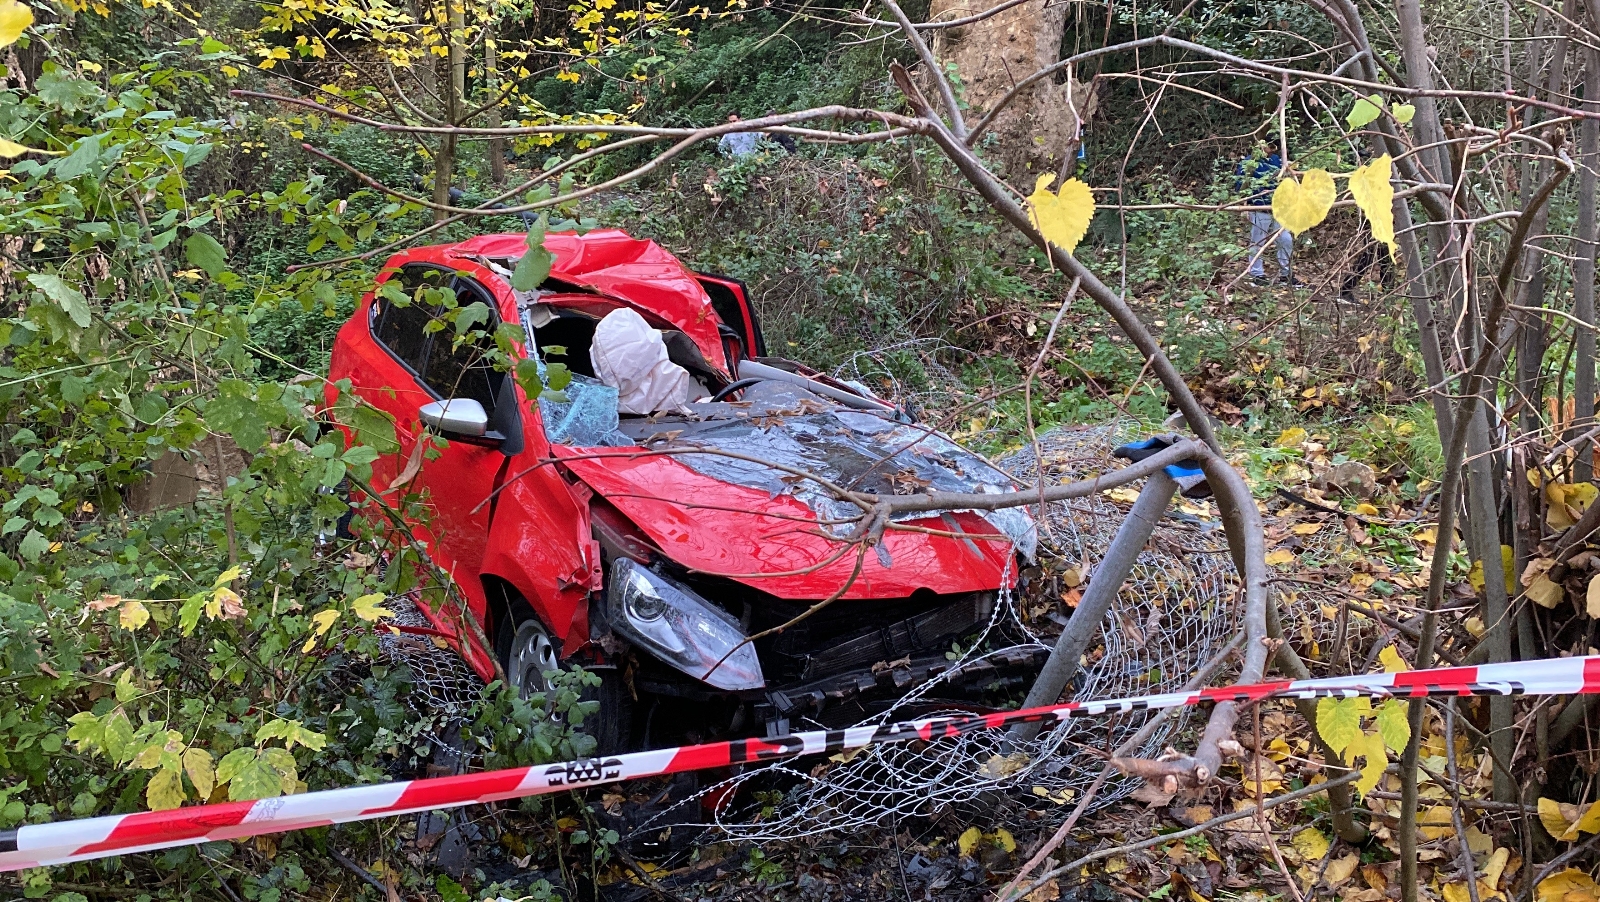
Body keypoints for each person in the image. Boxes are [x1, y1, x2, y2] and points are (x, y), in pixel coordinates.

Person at [1234, 144, 1302, 287]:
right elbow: (1241, 186)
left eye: (1273, 146)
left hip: (1278, 209)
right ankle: (1257, 274)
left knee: (1285, 240)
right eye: (1268, 146)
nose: (1271, 149)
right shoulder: (1249, 162)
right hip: (1258, 207)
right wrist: (1249, 202)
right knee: (1258, 241)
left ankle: (1286, 274)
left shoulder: (1276, 160)